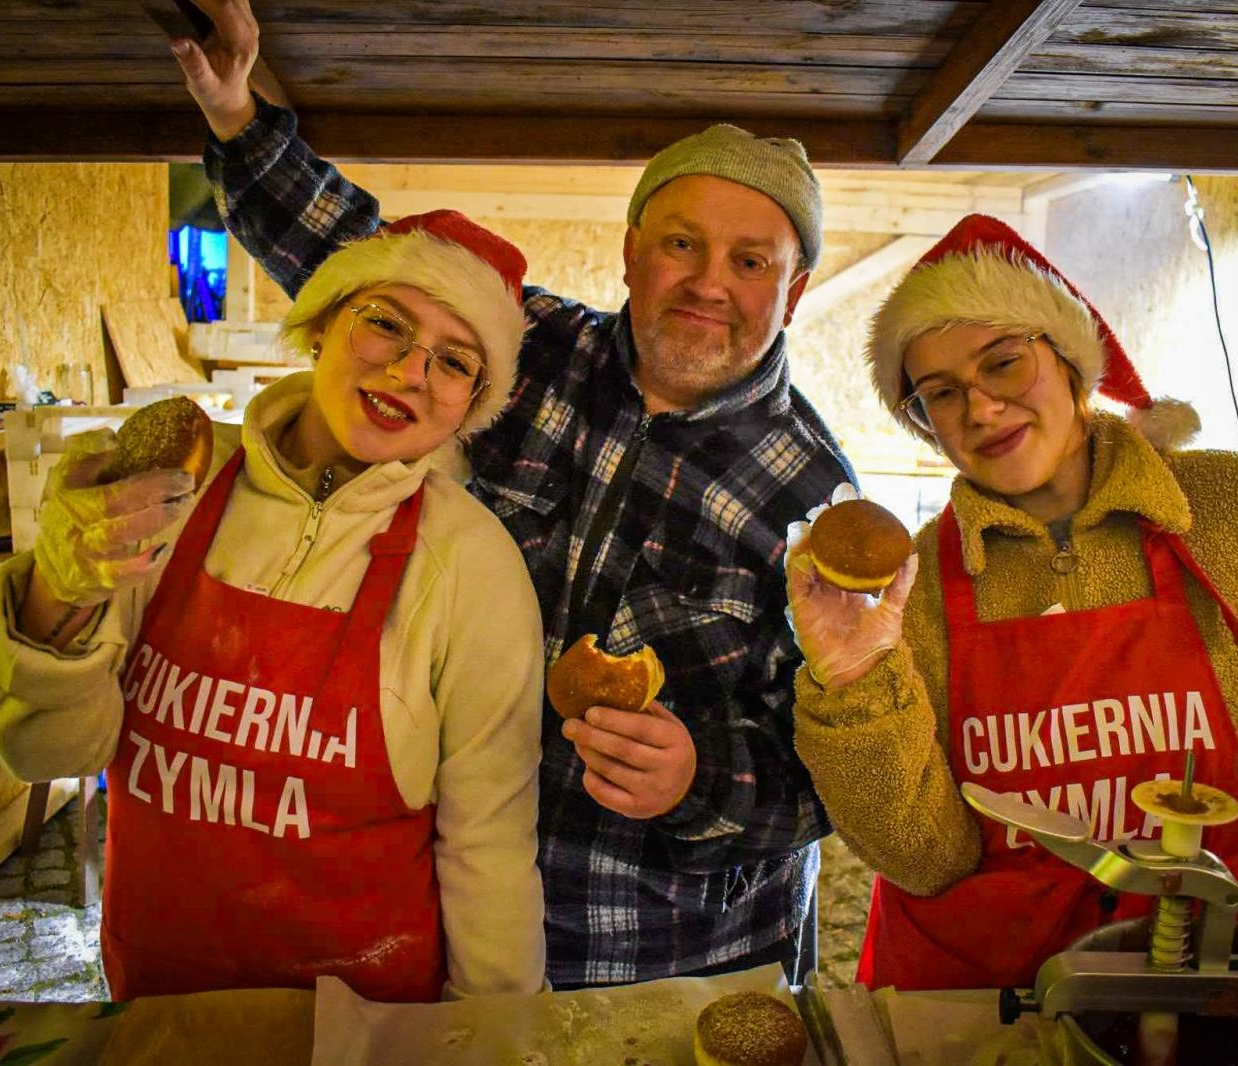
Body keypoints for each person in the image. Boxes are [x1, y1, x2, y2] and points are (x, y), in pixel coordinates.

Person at [164, 0, 854, 987]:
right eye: (680, 244)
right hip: (450, 910)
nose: (709, 282)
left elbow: (837, 772)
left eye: (751, 263)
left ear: (793, 292)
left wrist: (699, 779)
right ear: (630, 251)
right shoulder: (526, 350)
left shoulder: (819, 502)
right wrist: (238, 116)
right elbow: (367, 264)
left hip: (671, 960)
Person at [786, 214, 1238, 992]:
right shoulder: (916, 587)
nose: (981, 409)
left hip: (1217, 974)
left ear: (1070, 361)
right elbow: (926, 861)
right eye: (941, 393)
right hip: (984, 1004)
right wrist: (853, 679)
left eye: (1004, 363)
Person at [0, 210, 548, 1001]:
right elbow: (39, 755)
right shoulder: (169, 494)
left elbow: (490, 847)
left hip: (370, 1028)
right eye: (386, 323)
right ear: (323, 324)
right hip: (161, 1005)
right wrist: (58, 594)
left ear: (471, 404)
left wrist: (489, 1040)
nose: (411, 372)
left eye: (454, 362)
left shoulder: (474, 568)